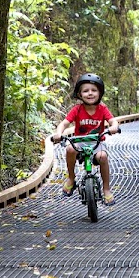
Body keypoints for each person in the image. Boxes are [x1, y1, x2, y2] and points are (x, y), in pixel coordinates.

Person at [51, 73, 120, 205]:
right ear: (80, 94)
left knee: (103, 157)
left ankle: (106, 189)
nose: (90, 93)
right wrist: (58, 133)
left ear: (100, 93)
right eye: (85, 91)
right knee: (70, 149)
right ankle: (71, 178)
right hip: (79, 142)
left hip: (96, 143)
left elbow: (113, 121)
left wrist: (114, 127)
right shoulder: (77, 109)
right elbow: (64, 123)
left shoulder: (102, 108)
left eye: (94, 90)